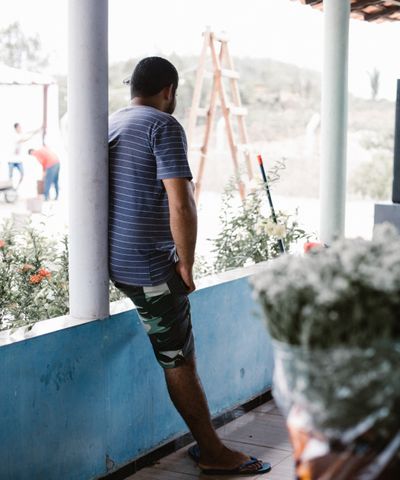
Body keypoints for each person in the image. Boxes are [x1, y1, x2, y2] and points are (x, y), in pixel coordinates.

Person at [108, 57, 270, 476]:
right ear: (169, 91)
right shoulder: (163, 126)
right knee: (179, 359)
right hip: (150, 268)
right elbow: (181, 202)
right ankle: (212, 451)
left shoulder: (113, 123)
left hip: (119, 262)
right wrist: (186, 263)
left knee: (177, 353)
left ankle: (208, 445)